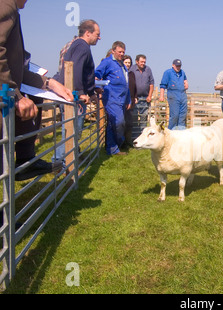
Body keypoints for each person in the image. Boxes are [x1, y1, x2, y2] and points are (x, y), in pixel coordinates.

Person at [0, 0, 74, 181]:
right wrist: (16, 95)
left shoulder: (12, 9)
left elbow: (16, 68)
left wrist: (49, 83)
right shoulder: (6, 5)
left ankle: (26, 159)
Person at [52, 19, 101, 162]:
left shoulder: (79, 45)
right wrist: (80, 93)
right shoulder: (82, 46)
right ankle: (60, 162)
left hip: (72, 93)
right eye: (97, 34)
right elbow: (75, 70)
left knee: (73, 130)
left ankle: (66, 160)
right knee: (71, 130)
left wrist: (91, 92)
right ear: (87, 33)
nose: (99, 37)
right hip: (73, 95)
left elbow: (84, 74)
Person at [95, 41, 131, 156]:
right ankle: (120, 142)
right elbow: (97, 74)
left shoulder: (122, 66)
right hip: (111, 98)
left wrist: (128, 99)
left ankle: (112, 149)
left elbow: (126, 84)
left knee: (112, 124)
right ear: (113, 51)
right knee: (119, 122)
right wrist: (97, 87)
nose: (121, 54)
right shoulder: (107, 62)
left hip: (122, 99)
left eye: (123, 52)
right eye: (119, 52)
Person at [129, 54, 155, 136]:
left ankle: (143, 136)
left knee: (144, 117)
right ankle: (135, 136)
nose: (143, 63)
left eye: (144, 62)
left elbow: (151, 83)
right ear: (137, 61)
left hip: (145, 98)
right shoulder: (132, 69)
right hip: (135, 98)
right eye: (141, 62)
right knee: (134, 117)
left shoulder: (148, 69)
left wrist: (150, 95)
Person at [159, 59, 189, 130]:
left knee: (183, 115)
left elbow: (185, 79)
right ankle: (171, 131)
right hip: (173, 94)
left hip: (182, 94)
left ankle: (181, 132)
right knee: (175, 115)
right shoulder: (168, 72)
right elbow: (163, 85)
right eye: (177, 66)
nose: (178, 67)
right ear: (173, 65)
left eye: (179, 66)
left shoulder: (182, 72)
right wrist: (161, 96)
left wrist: (186, 83)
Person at [123, 55, 136, 147]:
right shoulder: (121, 73)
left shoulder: (132, 74)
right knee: (122, 123)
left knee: (129, 123)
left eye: (129, 63)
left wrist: (135, 97)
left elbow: (134, 87)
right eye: (126, 62)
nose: (128, 64)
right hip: (122, 101)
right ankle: (121, 142)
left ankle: (128, 141)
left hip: (131, 101)